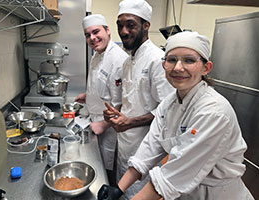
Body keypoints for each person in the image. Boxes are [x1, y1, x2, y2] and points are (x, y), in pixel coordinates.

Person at [98, 31, 254, 200]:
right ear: (164, 65)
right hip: (186, 193)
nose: (178, 67)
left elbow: (174, 175)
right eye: (172, 60)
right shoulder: (170, 102)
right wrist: (118, 189)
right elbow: (151, 146)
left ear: (206, 68)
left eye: (189, 60)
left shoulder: (214, 112)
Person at [103, 0, 174, 199]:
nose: (124, 31)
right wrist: (115, 113)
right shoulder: (128, 61)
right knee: (122, 192)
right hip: (124, 143)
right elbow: (132, 101)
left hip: (146, 149)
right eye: (120, 25)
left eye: (131, 24)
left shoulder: (157, 60)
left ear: (146, 25)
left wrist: (131, 121)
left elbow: (166, 111)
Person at [75, 14, 128, 185]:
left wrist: (104, 125)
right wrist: (87, 95)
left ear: (107, 30)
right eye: (87, 35)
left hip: (109, 128)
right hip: (94, 120)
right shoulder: (96, 55)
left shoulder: (118, 59)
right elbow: (100, 85)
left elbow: (121, 102)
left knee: (108, 170)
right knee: (98, 165)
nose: (92, 38)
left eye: (96, 32)